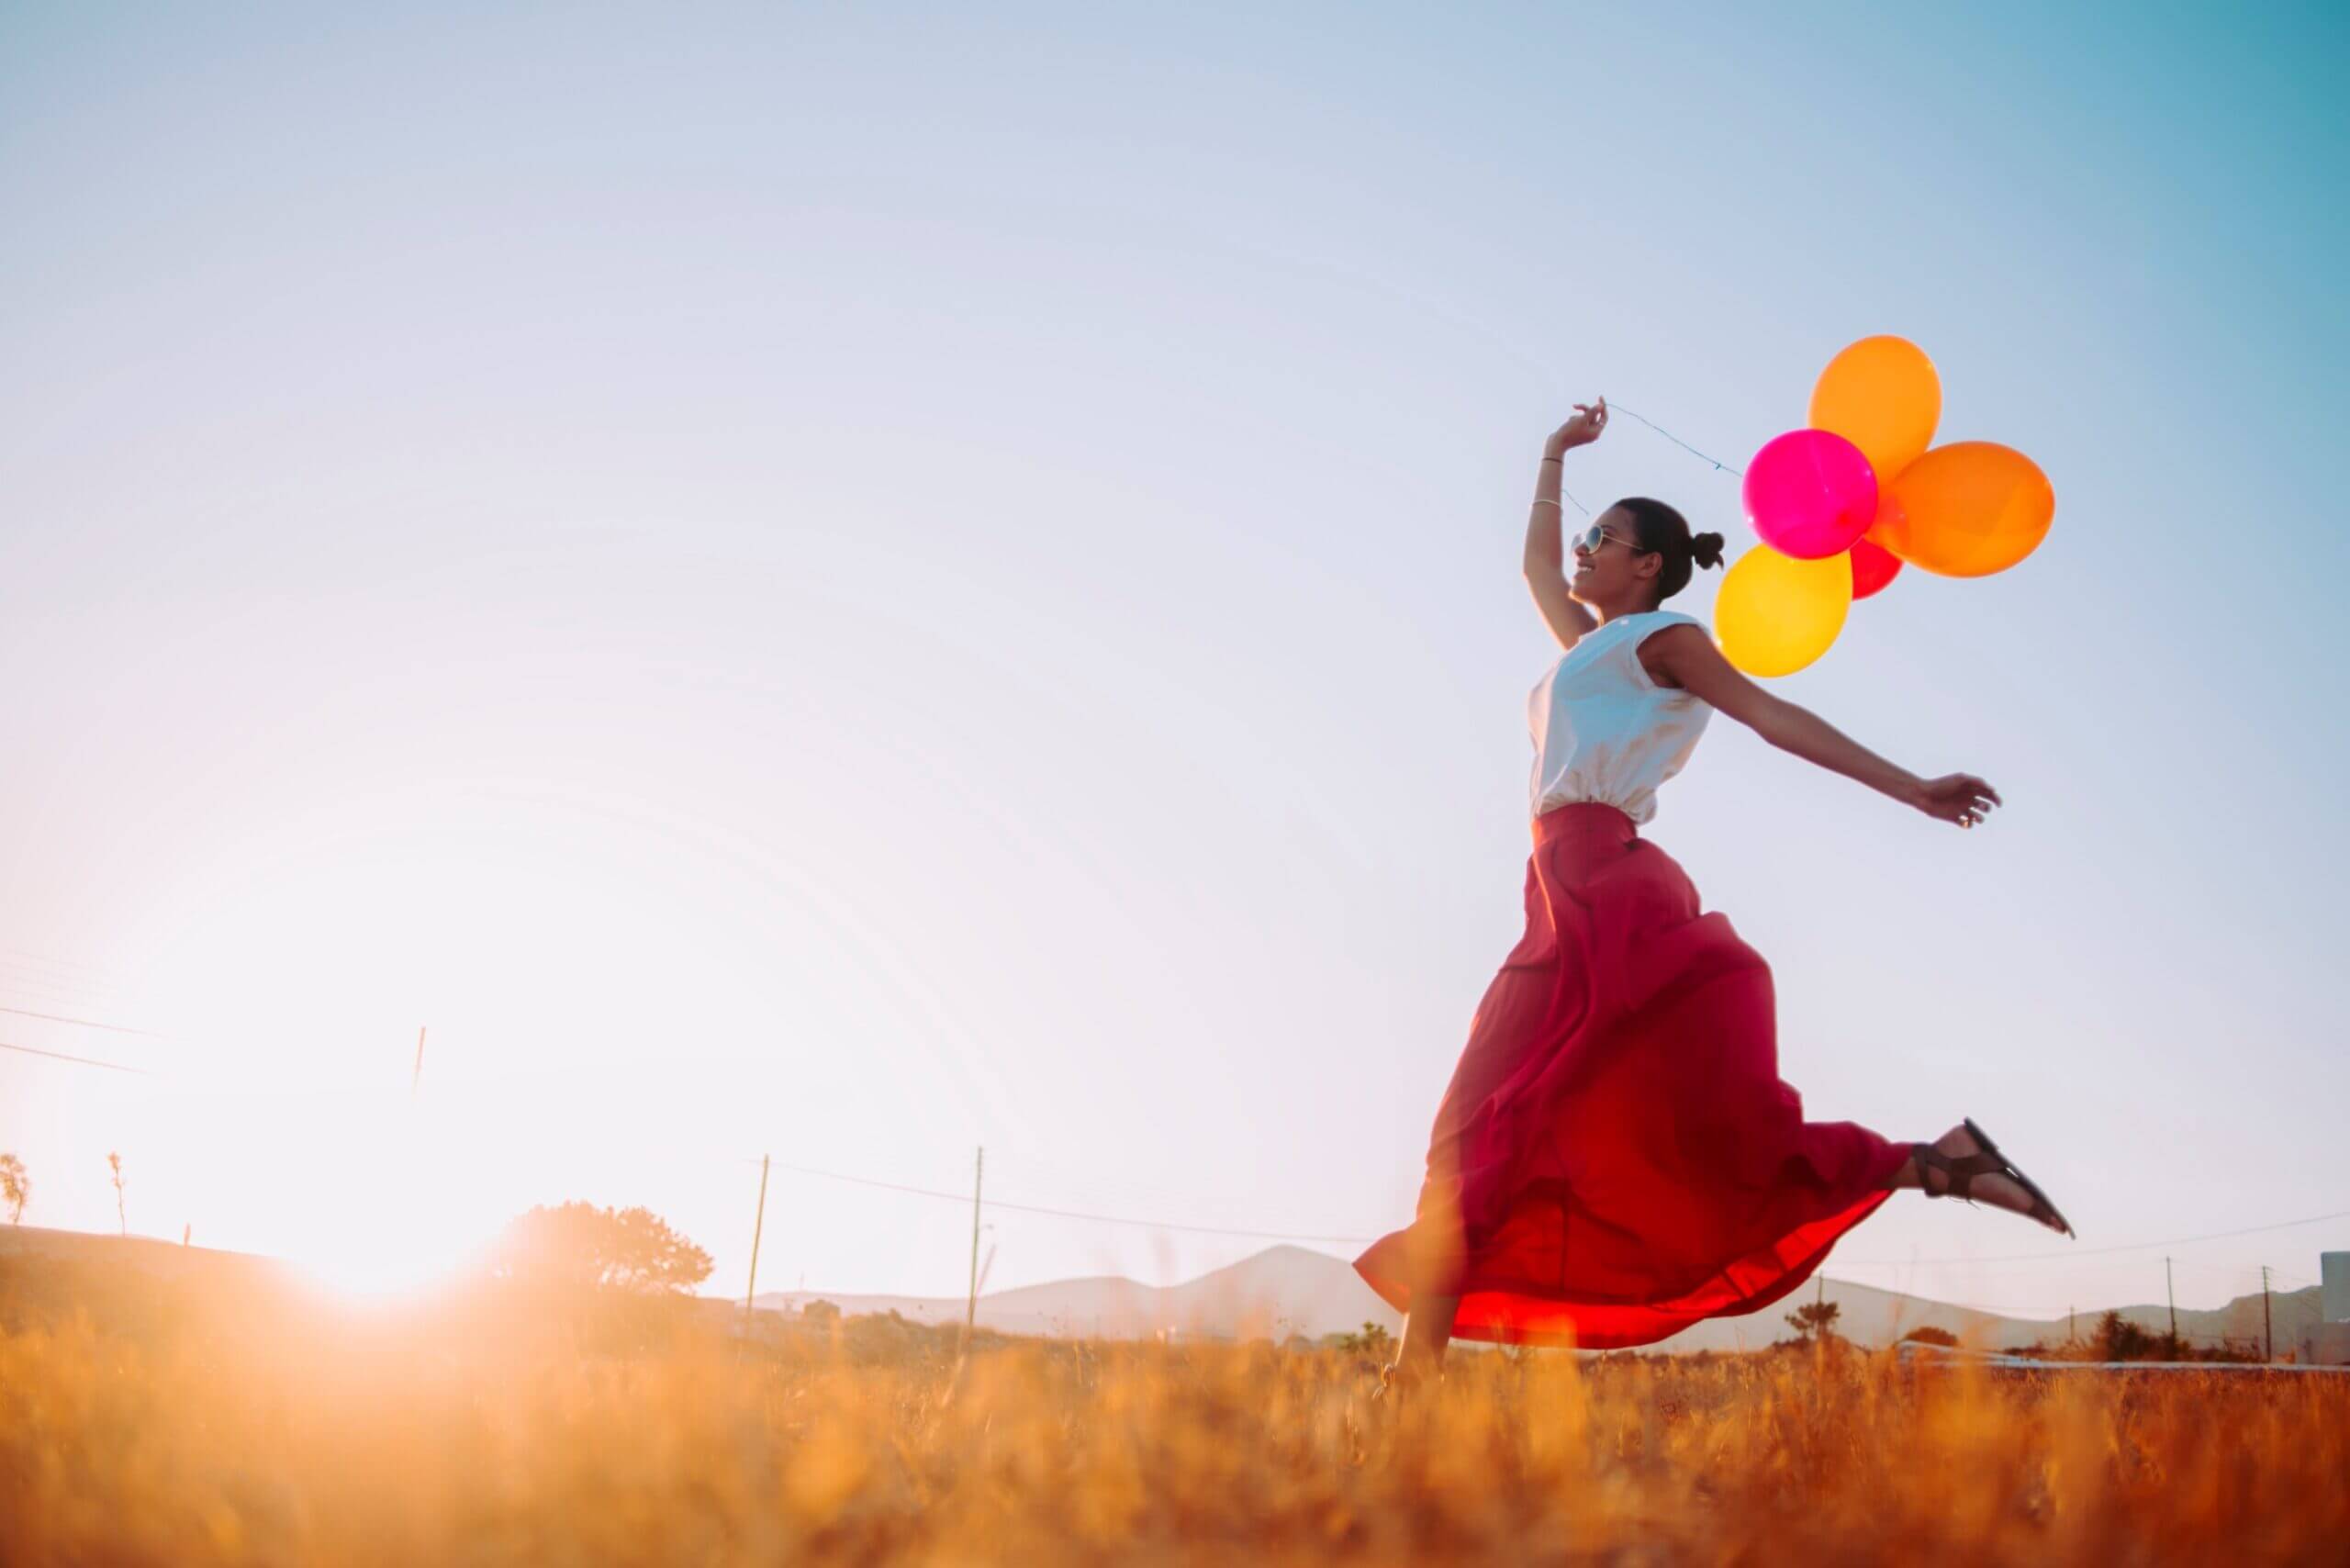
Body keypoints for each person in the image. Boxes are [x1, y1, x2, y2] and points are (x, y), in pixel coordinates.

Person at [1354, 397, 2072, 1383]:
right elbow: (1534, 569)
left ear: (1647, 564)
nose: (1582, 551)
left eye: (1602, 540)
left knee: (1593, 1129)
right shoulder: (1587, 647)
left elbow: (1773, 718)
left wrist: (1911, 786)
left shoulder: (1665, 639)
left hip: (1604, 886)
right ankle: (1937, 1161)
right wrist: (1554, 454)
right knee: (1473, 1126)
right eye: (1587, 537)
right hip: (1555, 891)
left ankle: (1923, 1164)